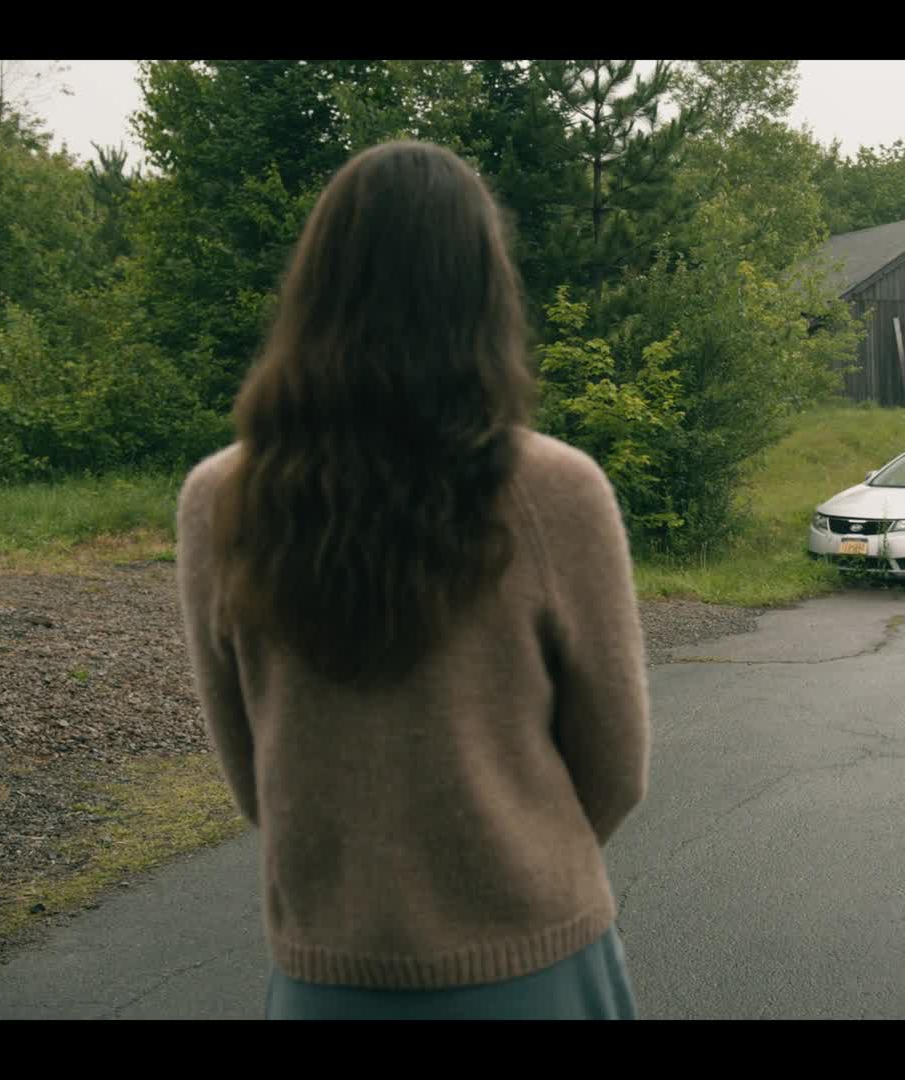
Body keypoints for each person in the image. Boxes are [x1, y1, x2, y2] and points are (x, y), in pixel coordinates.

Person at [174, 141, 650, 1020]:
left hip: (328, 973)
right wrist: (518, 861)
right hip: (536, 969)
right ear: (485, 291)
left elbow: (251, 770)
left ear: (315, 288)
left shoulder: (219, 499)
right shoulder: (556, 491)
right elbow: (616, 766)